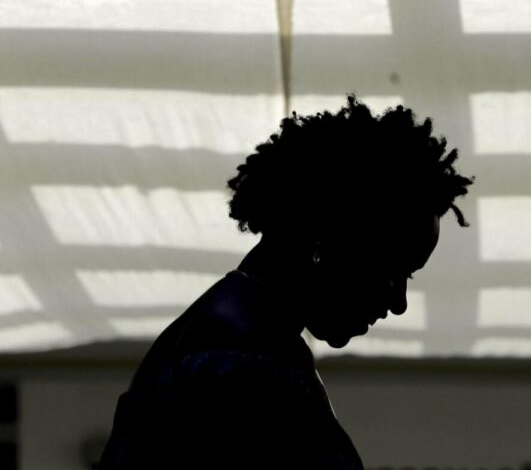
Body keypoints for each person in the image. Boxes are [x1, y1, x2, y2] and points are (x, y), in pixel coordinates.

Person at [96, 95, 475, 469]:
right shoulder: (240, 364)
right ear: (328, 240)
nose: (399, 302)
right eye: (394, 270)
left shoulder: (225, 338)